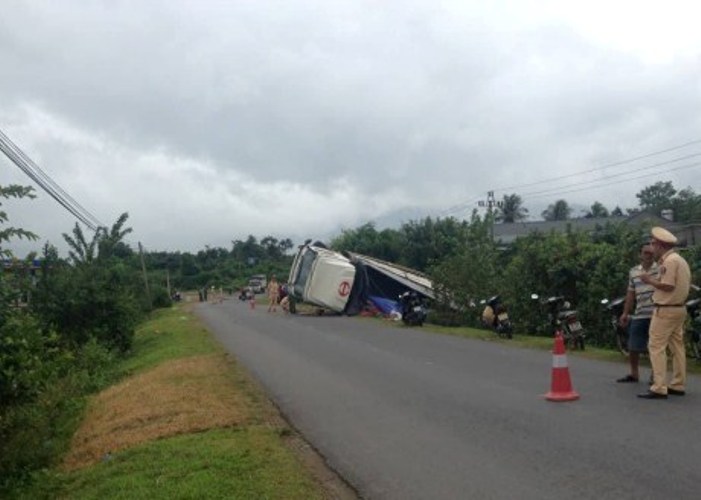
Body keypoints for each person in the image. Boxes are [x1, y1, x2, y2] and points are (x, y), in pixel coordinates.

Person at [637, 226, 691, 399]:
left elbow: (668, 286)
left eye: (653, 244)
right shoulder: (679, 260)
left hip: (666, 309)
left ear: (660, 245)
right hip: (679, 308)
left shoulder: (669, 262)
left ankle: (659, 386)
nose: (651, 247)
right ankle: (678, 383)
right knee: (677, 347)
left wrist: (649, 280)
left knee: (656, 346)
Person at [616, 244, 658, 383]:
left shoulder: (660, 268)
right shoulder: (634, 271)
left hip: (656, 313)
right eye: (646, 252)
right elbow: (630, 293)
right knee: (633, 345)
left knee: (655, 347)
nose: (649, 255)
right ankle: (634, 374)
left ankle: (655, 376)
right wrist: (625, 313)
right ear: (640, 255)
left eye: (651, 253)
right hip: (640, 313)